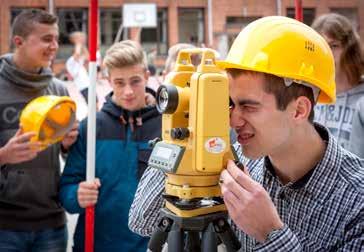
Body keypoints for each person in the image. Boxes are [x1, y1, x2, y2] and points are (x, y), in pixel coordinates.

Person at [128, 16, 364, 250]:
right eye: (230, 103)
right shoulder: (229, 160)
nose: (233, 119)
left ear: (299, 110)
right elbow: (143, 222)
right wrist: (184, 118)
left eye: (249, 106)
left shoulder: (357, 201)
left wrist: (270, 234)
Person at [60, 40, 162, 251]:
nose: (128, 91)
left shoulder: (167, 127)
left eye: (135, 81)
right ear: (108, 81)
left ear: (146, 75)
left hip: (152, 246)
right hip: (96, 243)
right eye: (119, 82)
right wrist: (76, 195)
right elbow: (67, 188)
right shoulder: (92, 127)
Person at [0, 9, 78, 251]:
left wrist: (67, 145)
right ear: (19, 41)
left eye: (56, 39)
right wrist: (3, 155)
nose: (54, 46)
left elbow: (69, 156)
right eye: (46, 39)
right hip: (4, 225)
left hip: (51, 223)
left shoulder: (59, 90)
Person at [312, 13, 364, 150]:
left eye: (334, 46)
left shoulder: (362, 99)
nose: (327, 53)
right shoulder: (308, 97)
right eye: (321, 46)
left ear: (350, 50)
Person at [66, 31, 98, 106]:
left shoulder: (78, 62)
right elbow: (77, 53)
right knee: (93, 105)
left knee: (95, 105)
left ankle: (92, 117)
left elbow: (88, 57)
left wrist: (82, 44)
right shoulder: (70, 62)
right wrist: (78, 42)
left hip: (88, 84)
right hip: (83, 86)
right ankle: (90, 118)